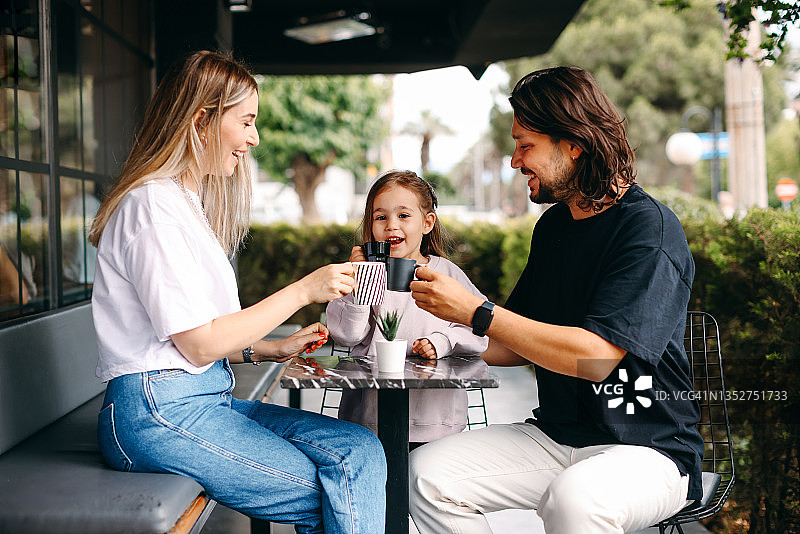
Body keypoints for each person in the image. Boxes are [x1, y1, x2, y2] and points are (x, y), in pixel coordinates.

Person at [88, 50, 386, 534]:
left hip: (204, 399)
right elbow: (198, 343)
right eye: (246, 121)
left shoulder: (184, 204)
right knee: (335, 490)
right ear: (203, 120)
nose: (255, 137)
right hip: (157, 411)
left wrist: (270, 349)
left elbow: (196, 339)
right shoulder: (152, 207)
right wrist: (304, 289)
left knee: (361, 450)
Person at [407, 66, 704, 534]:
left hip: (649, 447)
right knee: (425, 474)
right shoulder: (554, 227)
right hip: (557, 434)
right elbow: (512, 339)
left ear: (573, 144)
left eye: (525, 145)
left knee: (576, 499)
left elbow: (599, 359)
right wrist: (438, 344)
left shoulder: (649, 231)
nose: (514, 160)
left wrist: (477, 311)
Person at [325, 170, 489, 447]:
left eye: (403, 216)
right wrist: (359, 276)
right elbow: (347, 335)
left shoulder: (446, 273)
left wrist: (443, 341)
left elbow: (480, 329)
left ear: (427, 223)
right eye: (381, 217)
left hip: (436, 421)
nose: (391, 225)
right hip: (370, 420)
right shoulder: (362, 273)